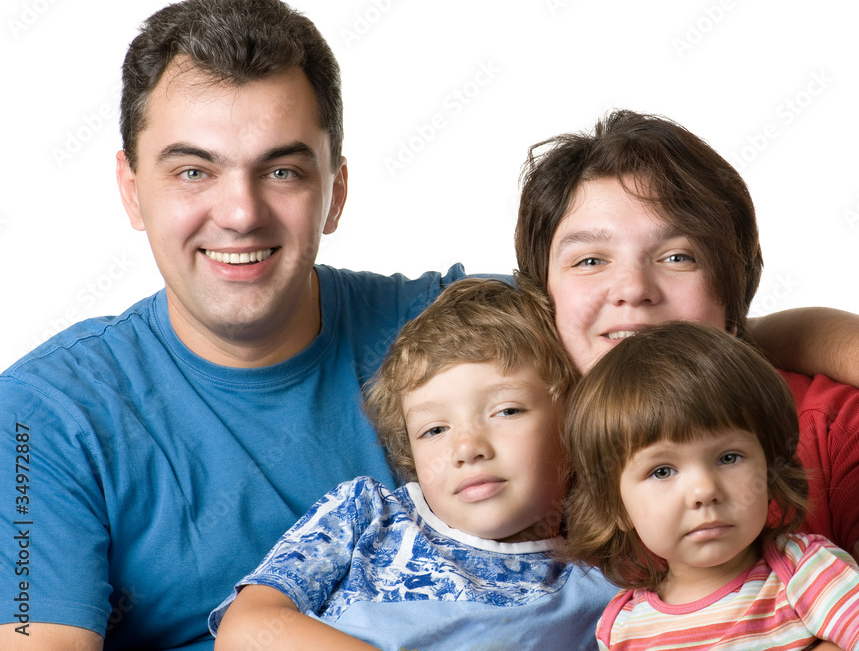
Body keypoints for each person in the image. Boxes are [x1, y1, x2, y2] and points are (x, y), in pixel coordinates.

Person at [0, 0, 859, 649]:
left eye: (284, 168)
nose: (242, 211)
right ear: (130, 189)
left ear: (335, 189)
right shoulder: (46, 415)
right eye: (192, 169)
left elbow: (657, 342)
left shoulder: (451, 330)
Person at [514, 108, 859, 648]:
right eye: (588, 261)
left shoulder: (829, 421)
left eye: (678, 256)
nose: (633, 288)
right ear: (542, 293)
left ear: (733, 287)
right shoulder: (503, 429)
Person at [209, 277, 617, 649]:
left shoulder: (600, 581)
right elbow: (245, 629)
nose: (466, 448)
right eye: (434, 430)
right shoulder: (366, 514)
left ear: (576, 420)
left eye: (507, 411)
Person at [562, 321, 859, 650]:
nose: (705, 490)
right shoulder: (621, 626)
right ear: (616, 506)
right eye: (662, 471)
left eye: (728, 458)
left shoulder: (804, 572)